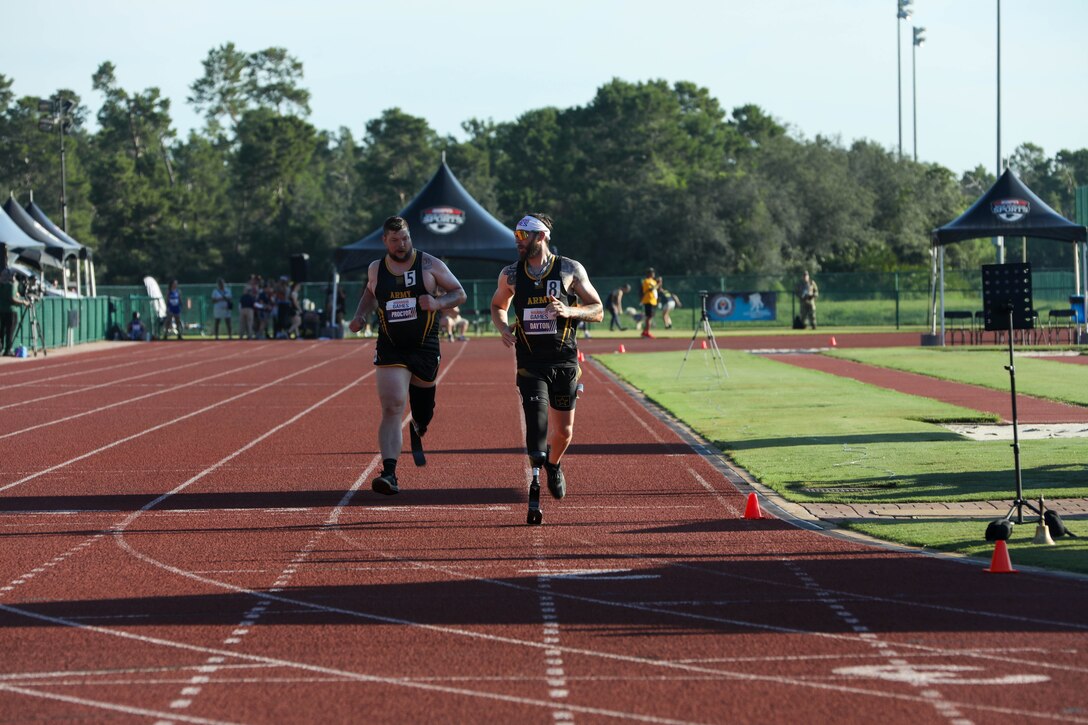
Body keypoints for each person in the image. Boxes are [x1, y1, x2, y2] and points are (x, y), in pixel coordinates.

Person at [490, 213, 603, 510]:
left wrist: (570, 312)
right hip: (530, 361)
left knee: (564, 432)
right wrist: (503, 328)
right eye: (516, 235)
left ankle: (554, 465)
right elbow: (498, 305)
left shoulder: (569, 269)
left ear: (540, 237)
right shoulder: (511, 274)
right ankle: (538, 471)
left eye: (522, 236)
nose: (517, 242)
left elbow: (598, 309)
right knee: (536, 420)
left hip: (564, 360)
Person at [348, 216, 467, 495]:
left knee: (424, 411)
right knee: (392, 405)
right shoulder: (377, 268)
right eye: (395, 241)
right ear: (384, 241)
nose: (401, 245)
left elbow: (459, 294)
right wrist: (360, 315)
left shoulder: (430, 264)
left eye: (405, 239)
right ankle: (389, 473)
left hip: (425, 346)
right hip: (391, 345)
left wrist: (437, 302)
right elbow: (370, 292)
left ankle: (419, 426)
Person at [0, 246, 30, 356]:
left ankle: (1, 348)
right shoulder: (11, 286)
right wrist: (23, 302)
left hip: (2, 310)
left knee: (2, 331)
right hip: (11, 311)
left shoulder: (1, 285)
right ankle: (8, 350)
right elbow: (12, 299)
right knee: (9, 332)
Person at [640, 267, 659, 338]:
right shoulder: (646, 281)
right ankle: (647, 332)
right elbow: (650, 289)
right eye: (652, 272)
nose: (653, 274)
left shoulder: (654, 281)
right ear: (649, 273)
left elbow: (657, 289)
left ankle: (645, 332)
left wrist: (659, 283)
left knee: (650, 317)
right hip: (648, 301)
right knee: (649, 317)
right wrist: (658, 284)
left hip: (653, 301)